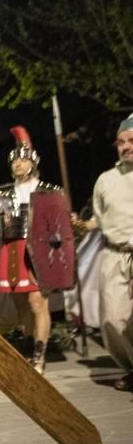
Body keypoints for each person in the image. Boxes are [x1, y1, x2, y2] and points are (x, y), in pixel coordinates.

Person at [0, 126, 62, 374]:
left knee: (37, 303)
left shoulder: (48, 190)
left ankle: (39, 354)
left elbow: (59, 227)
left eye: (22, 160)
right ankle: (30, 347)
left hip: (39, 253)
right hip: (11, 251)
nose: (18, 165)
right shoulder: (3, 192)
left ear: (32, 163)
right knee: (22, 305)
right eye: (15, 161)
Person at [79, 115, 133, 390]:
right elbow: (100, 220)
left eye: (131, 140)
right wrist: (80, 225)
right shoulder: (106, 180)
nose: (125, 146)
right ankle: (130, 366)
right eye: (121, 142)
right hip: (114, 255)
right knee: (113, 319)